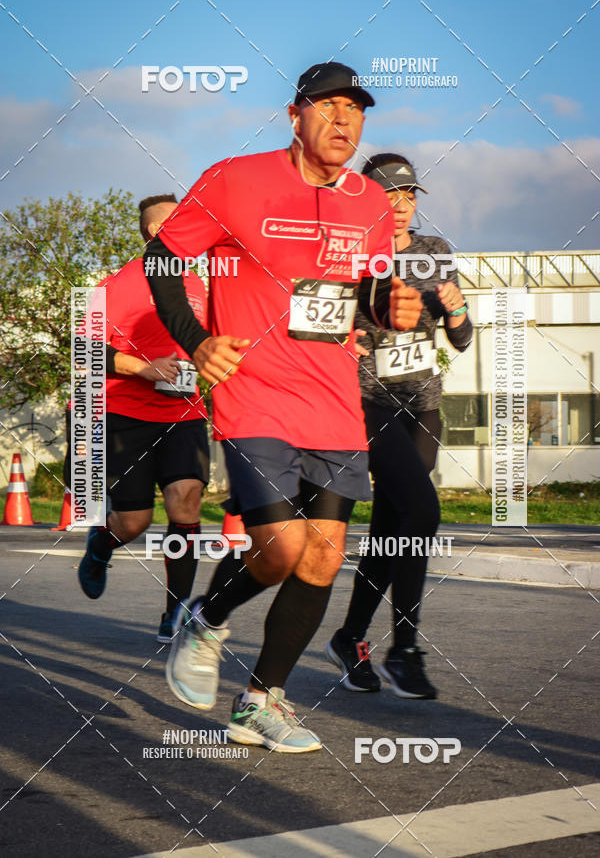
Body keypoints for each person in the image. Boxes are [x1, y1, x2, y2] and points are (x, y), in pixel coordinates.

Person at [143, 63, 423, 752]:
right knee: (279, 549)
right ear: (294, 116)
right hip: (255, 390)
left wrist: (390, 305)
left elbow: (366, 293)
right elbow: (162, 258)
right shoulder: (235, 179)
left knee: (323, 557)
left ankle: (261, 702)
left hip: (333, 399)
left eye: (355, 109)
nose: (343, 119)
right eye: (328, 106)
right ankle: (205, 618)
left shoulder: (368, 201)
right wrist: (197, 341)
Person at [326, 153, 473, 699]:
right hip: (368, 402)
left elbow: (461, 339)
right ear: (367, 199)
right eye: (391, 194)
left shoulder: (434, 252)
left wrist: (456, 311)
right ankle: (403, 650)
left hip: (423, 405)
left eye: (409, 194)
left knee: (396, 526)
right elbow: (318, 319)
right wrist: (345, 337)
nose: (402, 204)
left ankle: (349, 638)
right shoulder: (350, 254)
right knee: (421, 512)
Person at [77, 194, 210, 644]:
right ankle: (101, 545)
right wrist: (143, 368)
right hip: (126, 414)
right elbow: (85, 350)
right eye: (180, 220)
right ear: (156, 232)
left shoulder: (198, 283)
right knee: (134, 522)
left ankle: (177, 610)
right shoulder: (117, 284)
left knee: (186, 501)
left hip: (184, 411)